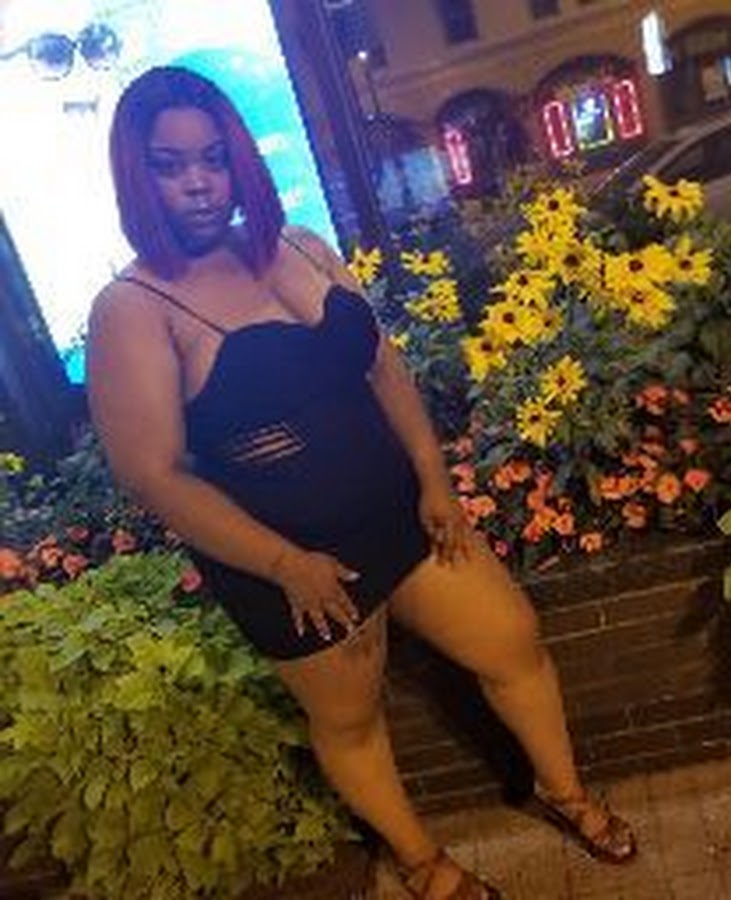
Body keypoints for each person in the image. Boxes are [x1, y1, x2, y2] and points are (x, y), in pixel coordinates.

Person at [87, 66, 635, 900]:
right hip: (294, 566)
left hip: (400, 515)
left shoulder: (302, 246)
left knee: (513, 642)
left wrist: (434, 478)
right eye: (170, 165)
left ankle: (565, 794)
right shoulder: (133, 306)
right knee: (351, 724)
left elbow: (382, 367)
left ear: (239, 160)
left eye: (213, 158)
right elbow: (152, 475)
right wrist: (284, 565)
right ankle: (422, 864)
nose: (198, 183)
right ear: (138, 175)